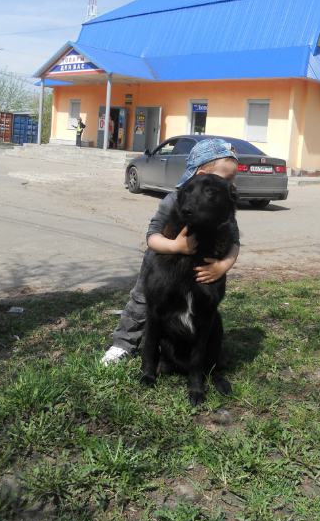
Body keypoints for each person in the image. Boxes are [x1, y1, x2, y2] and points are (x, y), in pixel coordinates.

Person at [100, 138, 240, 366]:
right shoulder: (174, 199)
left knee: (192, 309)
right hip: (162, 265)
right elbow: (152, 236)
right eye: (228, 178)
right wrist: (176, 246)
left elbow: (234, 241)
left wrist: (223, 266)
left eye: (233, 179)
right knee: (141, 303)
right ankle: (122, 344)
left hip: (194, 269)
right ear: (202, 175)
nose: (232, 184)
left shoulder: (222, 204)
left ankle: (188, 349)